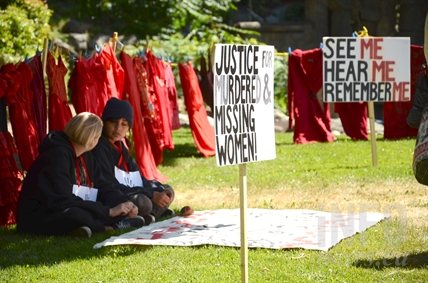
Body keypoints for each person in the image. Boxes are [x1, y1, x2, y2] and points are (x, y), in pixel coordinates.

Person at [17, 112, 145, 238]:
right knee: (76, 214)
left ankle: (85, 228)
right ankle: (109, 227)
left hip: (71, 205)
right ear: (93, 138)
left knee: (111, 207)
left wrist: (123, 203)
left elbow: (104, 185)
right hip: (43, 214)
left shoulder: (86, 155)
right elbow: (62, 201)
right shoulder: (57, 155)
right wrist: (109, 212)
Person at [91, 98, 175, 224]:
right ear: (104, 122)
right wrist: (151, 194)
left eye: (124, 124)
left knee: (167, 189)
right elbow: (109, 185)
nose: (118, 128)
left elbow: (139, 178)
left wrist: (157, 189)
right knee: (143, 202)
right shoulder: (98, 147)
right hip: (113, 195)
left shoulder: (121, 147)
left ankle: (149, 216)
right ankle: (153, 213)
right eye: (113, 122)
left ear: (128, 128)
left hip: (130, 190)